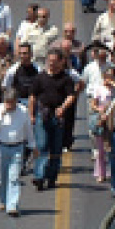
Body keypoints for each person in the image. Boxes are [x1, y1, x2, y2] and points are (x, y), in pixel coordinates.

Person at [30, 50, 78, 191]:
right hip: (42, 115)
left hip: (58, 117)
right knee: (42, 145)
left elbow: (71, 96)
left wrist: (63, 107)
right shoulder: (40, 78)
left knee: (56, 149)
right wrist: (31, 115)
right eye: (49, 60)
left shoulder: (66, 79)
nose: (51, 63)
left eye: (54, 60)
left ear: (61, 61)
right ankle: (39, 176)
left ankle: (52, 177)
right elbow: (33, 96)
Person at [0, 89, 32, 217]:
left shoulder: (23, 111)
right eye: (7, 102)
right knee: (1, 177)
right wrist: (2, 114)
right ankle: (3, 199)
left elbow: (28, 129)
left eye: (12, 103)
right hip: (1, 146)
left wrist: (32, 145)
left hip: (17, 147)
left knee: (14, 177)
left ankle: (12, 205)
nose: (10, 105)